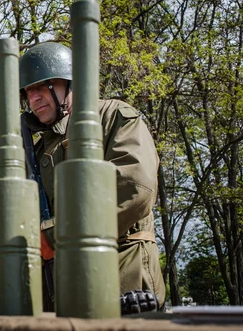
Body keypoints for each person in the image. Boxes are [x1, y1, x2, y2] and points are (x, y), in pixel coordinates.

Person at [19, 42, 165, 312]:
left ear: (68, 82)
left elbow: (134, 188)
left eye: (42, 86)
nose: (34, 97)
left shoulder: (113, 117)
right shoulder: (38, 150)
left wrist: (53, 237)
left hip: (123, 275)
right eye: (28, 91)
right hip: (63, 289)